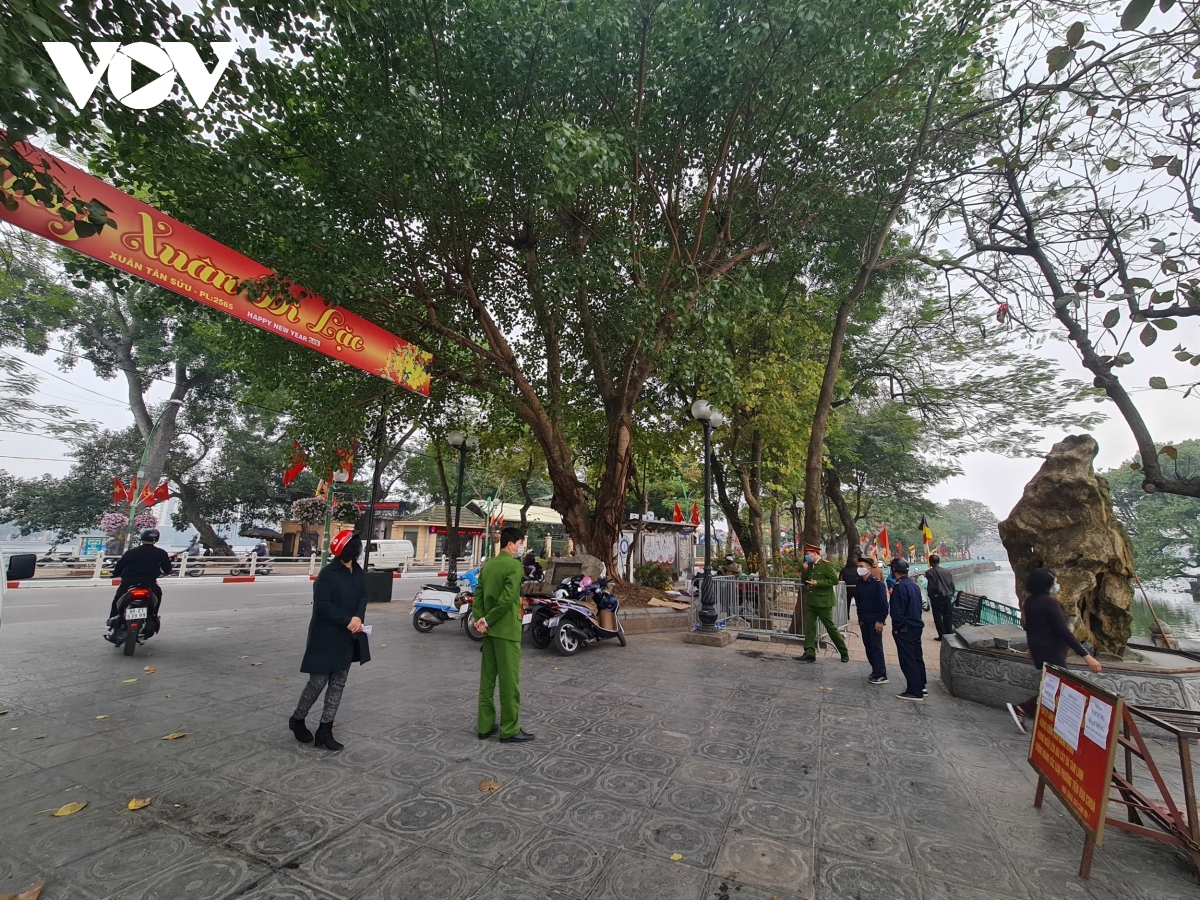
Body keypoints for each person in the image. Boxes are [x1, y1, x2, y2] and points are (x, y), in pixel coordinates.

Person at [289, 529, 369, 751]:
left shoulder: (358, 572)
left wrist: (358, 617)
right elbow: (323, 605)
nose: (358, 548)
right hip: (325, 636)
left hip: (348, 635)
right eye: (354, 544)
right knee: (318, 682)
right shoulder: (327, 574)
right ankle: (297, 718)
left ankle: (325, 729)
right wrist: (347, 619)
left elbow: (363, 596)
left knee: (338, 683)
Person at [1006, 568, 1103, 734]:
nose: (1057, 585)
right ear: (1047, 585)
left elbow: (1032, 628)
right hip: (1052, 650)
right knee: (1058, 687)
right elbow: (1063, 631)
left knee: (1052, 686)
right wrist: (1086, 656)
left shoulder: (1029, 601)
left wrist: (1032, 647)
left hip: (1040, 649)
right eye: (1055, 582)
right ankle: (1023, 709)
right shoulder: (1050, 603)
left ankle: (1037, 715)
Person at [474, 526, 533, 742]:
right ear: (511, 544)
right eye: (520, 543)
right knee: (509, 682)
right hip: (506, 629)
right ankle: (510, 729)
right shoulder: (514, 566)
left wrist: (480, 619)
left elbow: (478, 594)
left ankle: (485, 725)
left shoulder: (489, 564)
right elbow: (508, 598)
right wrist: (488, 620)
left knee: (487, 679)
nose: (521, 547)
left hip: (488, 631)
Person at [109, 528, 173, 630]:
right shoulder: (161, 553)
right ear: (156, 539)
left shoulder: (131, 552)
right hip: (149, 583)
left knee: (117, 599)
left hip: (129, 583)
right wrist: (166, 572)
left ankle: (113, 618)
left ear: (142, 538)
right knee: (157, 596)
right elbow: (168, 568)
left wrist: (115, 574)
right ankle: (153, 616)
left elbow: (119, 566)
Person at [798, 543, 849, 664]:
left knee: (830, 628)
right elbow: (804, 582)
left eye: (808, 554)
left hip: (824, 602)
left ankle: (843, 652)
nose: (806, 556)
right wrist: (805, 570)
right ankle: (809, 652)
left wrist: (818, 583)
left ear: (814, 553)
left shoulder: (826, 565)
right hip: (811, 602)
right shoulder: (810, 566)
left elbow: (834, 580)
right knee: (809, 627)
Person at [889, 558, 927, 701]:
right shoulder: (913, 585)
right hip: (916, 625)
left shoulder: (900, 587)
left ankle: (914, 690)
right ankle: (922, 686)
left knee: (907, 659)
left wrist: (897, 628)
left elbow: (897, 611)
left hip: (905, 628)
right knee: (917, 657)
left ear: (894, 570)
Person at [855, 557, 890, 685]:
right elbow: (859, 602)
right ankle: (875, 670)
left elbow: (884, 605)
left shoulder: (877, 584)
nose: (859, 568)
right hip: (864, 619)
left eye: (862, 566)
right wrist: (859, 618)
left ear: (869, 569)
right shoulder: (859, 583)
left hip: (875, 620)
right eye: (858, 566)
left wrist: (881, 621)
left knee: (876, 647)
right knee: (868, 646)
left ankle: (881, 674)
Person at [923, 554, 956, 640]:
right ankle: (949, 635)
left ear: (930, 562)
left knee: (937, 616)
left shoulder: (929, 572)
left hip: (937, 597)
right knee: (947, 616)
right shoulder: (947, 572)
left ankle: (941, 635)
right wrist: (951, 594)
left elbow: (931, 586)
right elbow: (952, 585)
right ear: (939, 561)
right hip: (947, 596)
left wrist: (931, 595)